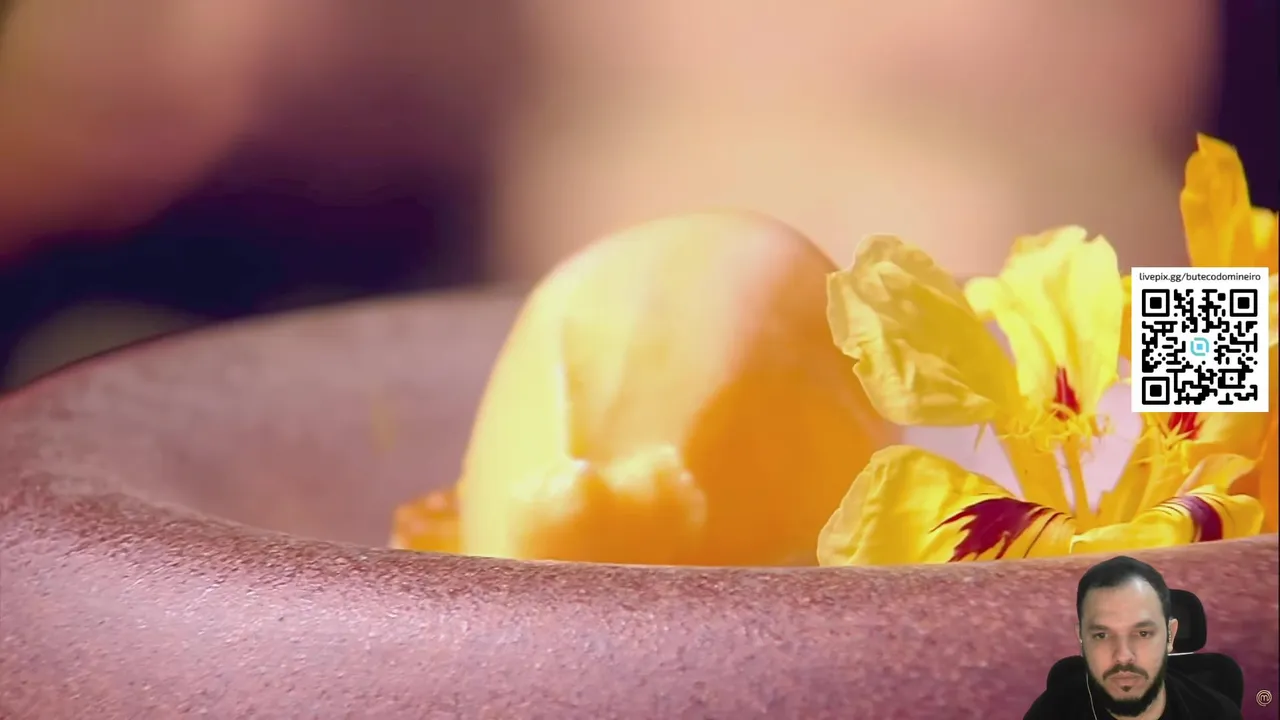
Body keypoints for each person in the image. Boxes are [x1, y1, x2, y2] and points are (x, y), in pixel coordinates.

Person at [1023, 555, 1241, 720]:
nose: (1123, 656)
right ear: (1081, 638)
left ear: (1170, 636)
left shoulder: (1217, 714)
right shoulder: (1048, 714)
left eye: (1143, 633)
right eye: (1101, 635)